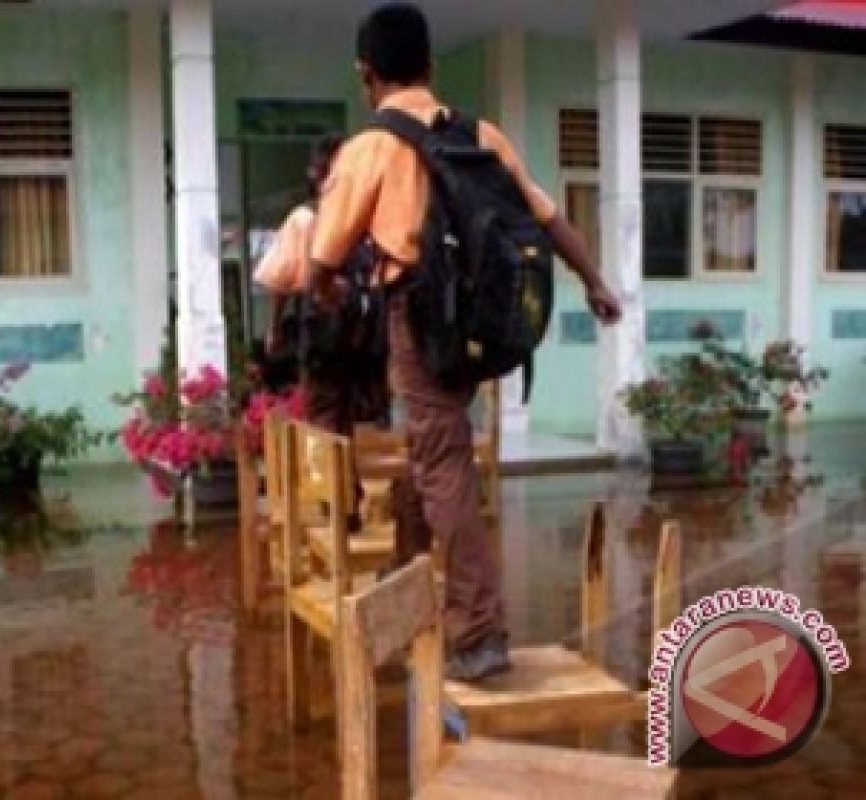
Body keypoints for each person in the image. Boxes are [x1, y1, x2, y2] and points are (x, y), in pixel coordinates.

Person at [311, 3, 623, 681]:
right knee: (435, 449)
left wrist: (324, 290)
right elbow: (545, 216)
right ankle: (409, 580)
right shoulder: (481, 134)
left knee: (441, 459)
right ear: (428, 64)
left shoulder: (370, 147)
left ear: (367, 73)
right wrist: (595, 281)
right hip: (484, 322)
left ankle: (478, 632)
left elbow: (323, 255)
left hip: (418, 321)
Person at [253, 137, 390, 435]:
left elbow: (281, 279)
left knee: (324, 414)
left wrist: (274, 328)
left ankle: (331, 480)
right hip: (365, 336)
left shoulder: (305, 219)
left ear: (314, 173)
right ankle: (351, 480)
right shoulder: (367, 219)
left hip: (324, 334)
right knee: (359, 416)